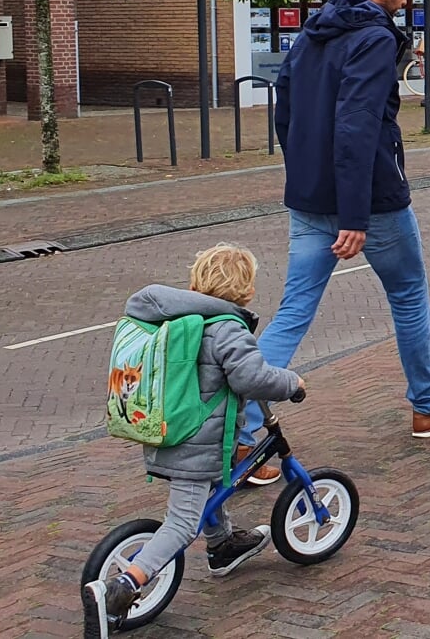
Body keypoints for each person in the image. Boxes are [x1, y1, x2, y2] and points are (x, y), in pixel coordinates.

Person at [239, 0, 430, 470]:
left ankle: (245, 435)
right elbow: (357, 125)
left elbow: (288, 114)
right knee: (409, 294)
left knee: (295, 309)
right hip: (370, 200)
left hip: (309, 196)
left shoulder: (311, 33)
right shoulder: (372, 38)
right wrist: (354, 216)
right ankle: (428, 407)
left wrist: (303, 177)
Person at [83, 244, 304, 631]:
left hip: (169, 431)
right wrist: (292, 383)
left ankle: (222, 546)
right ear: (246, 291)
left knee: (217, 485)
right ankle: (124, 585)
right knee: (183, 523)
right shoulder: (227, 328)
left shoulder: (180, 320)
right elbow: (252, 378)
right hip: (196, 444)